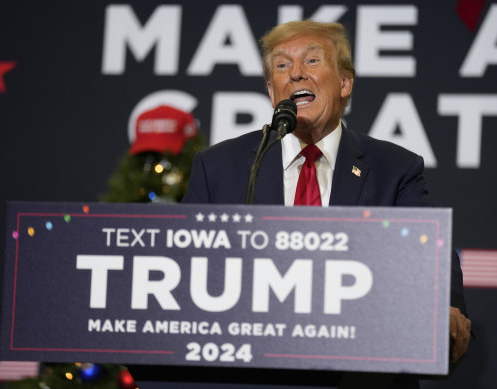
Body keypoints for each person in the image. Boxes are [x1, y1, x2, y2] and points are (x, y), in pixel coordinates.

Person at [183, 20, 471, 387]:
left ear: (345, 83)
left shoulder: (394, 169)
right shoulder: (220, 167)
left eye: (312, 61)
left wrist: (444, 304)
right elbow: (190, 264)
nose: (297, 74)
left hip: (357, 373)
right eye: (282, 66)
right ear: (273, 91)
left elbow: (428, 251)